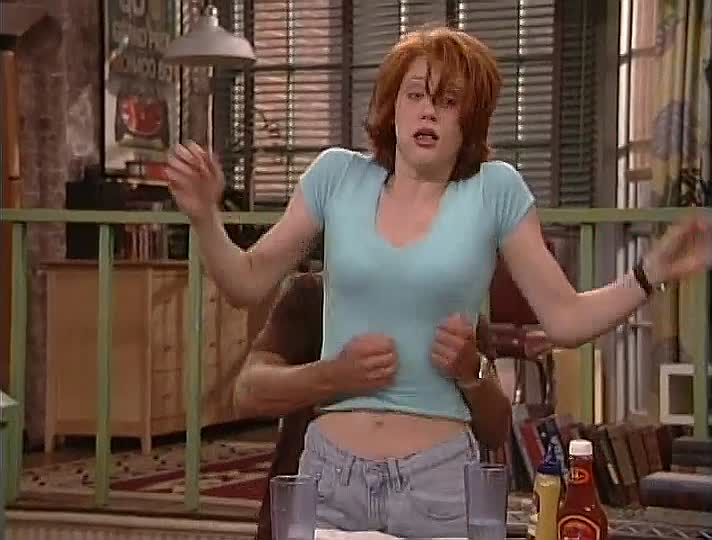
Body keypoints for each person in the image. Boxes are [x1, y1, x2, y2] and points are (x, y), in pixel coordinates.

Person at [165, 26, 712, 536]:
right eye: (416, 95)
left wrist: (650, 273)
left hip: (437, 481)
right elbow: (247, 282)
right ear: (392, 107)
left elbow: (565, 318)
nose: (428, 111)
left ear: (468, 121)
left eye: (448, 102)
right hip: (330, 475)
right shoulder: (336, 176)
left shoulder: (495, 190)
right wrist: (206, 218)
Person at [238, 270, 512, 540]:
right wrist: (333, 375)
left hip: (435, 504)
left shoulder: (452, 306)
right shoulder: (313, 294)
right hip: (324, 502)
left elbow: (496, 430)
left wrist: (472, 372)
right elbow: (248, 393)